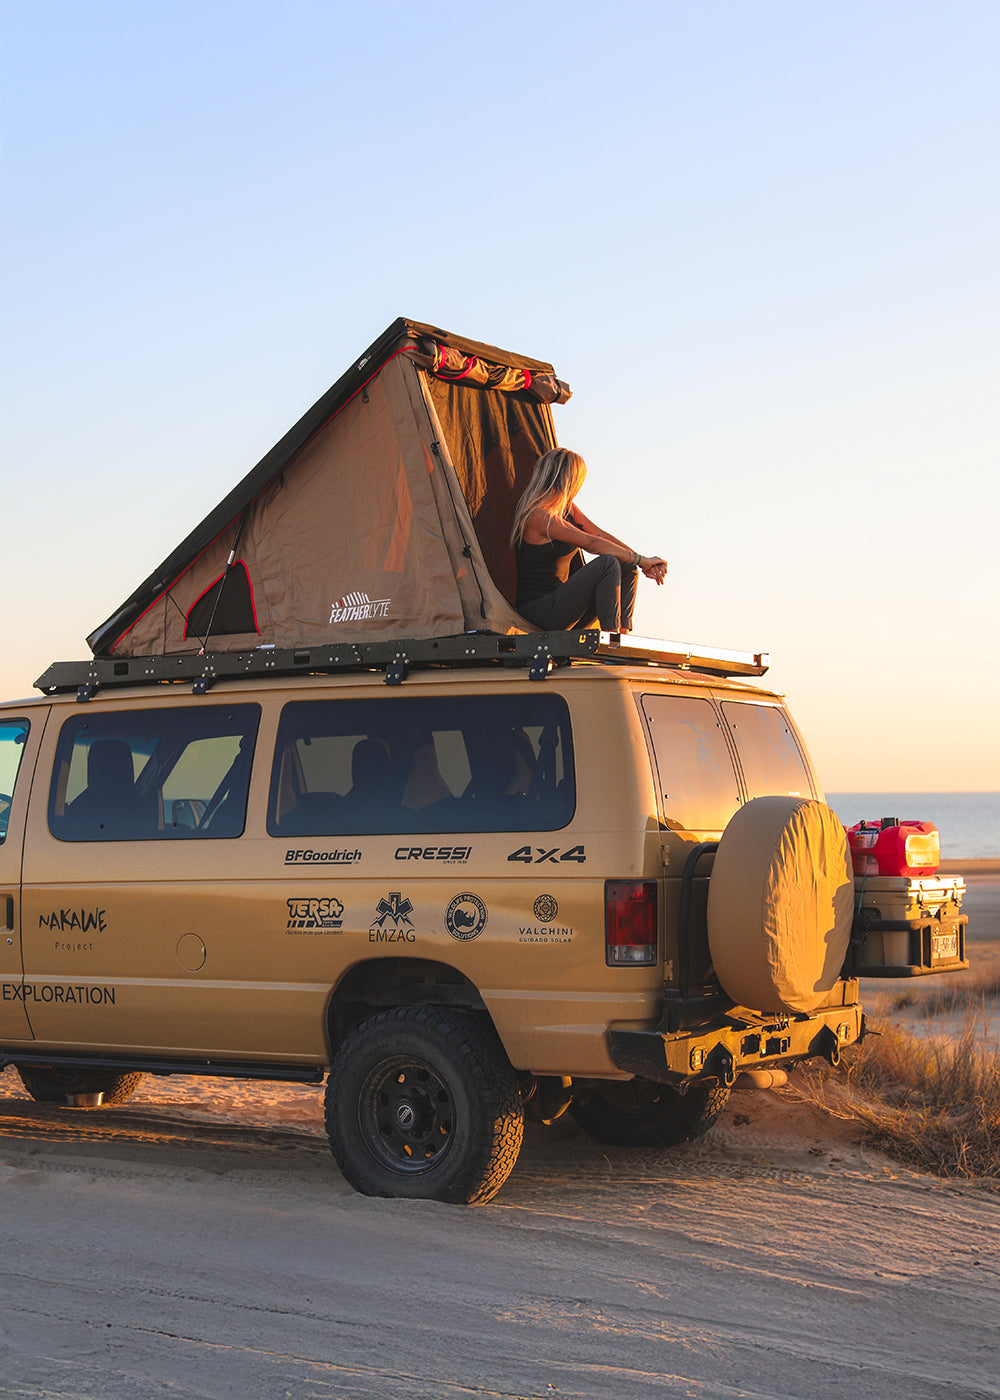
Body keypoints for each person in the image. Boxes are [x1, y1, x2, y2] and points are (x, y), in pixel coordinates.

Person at [510, 448, 667, 632]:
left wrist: (640, 561)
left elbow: (599, 535)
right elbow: (591, 543)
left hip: (564, 607)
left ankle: (621, 637)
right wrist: (642, 560)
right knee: (607, 563)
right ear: (571, 479)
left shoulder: (567, 508)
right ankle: (611, 640)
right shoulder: (538, 514)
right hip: (540, 612)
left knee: (625, 563)